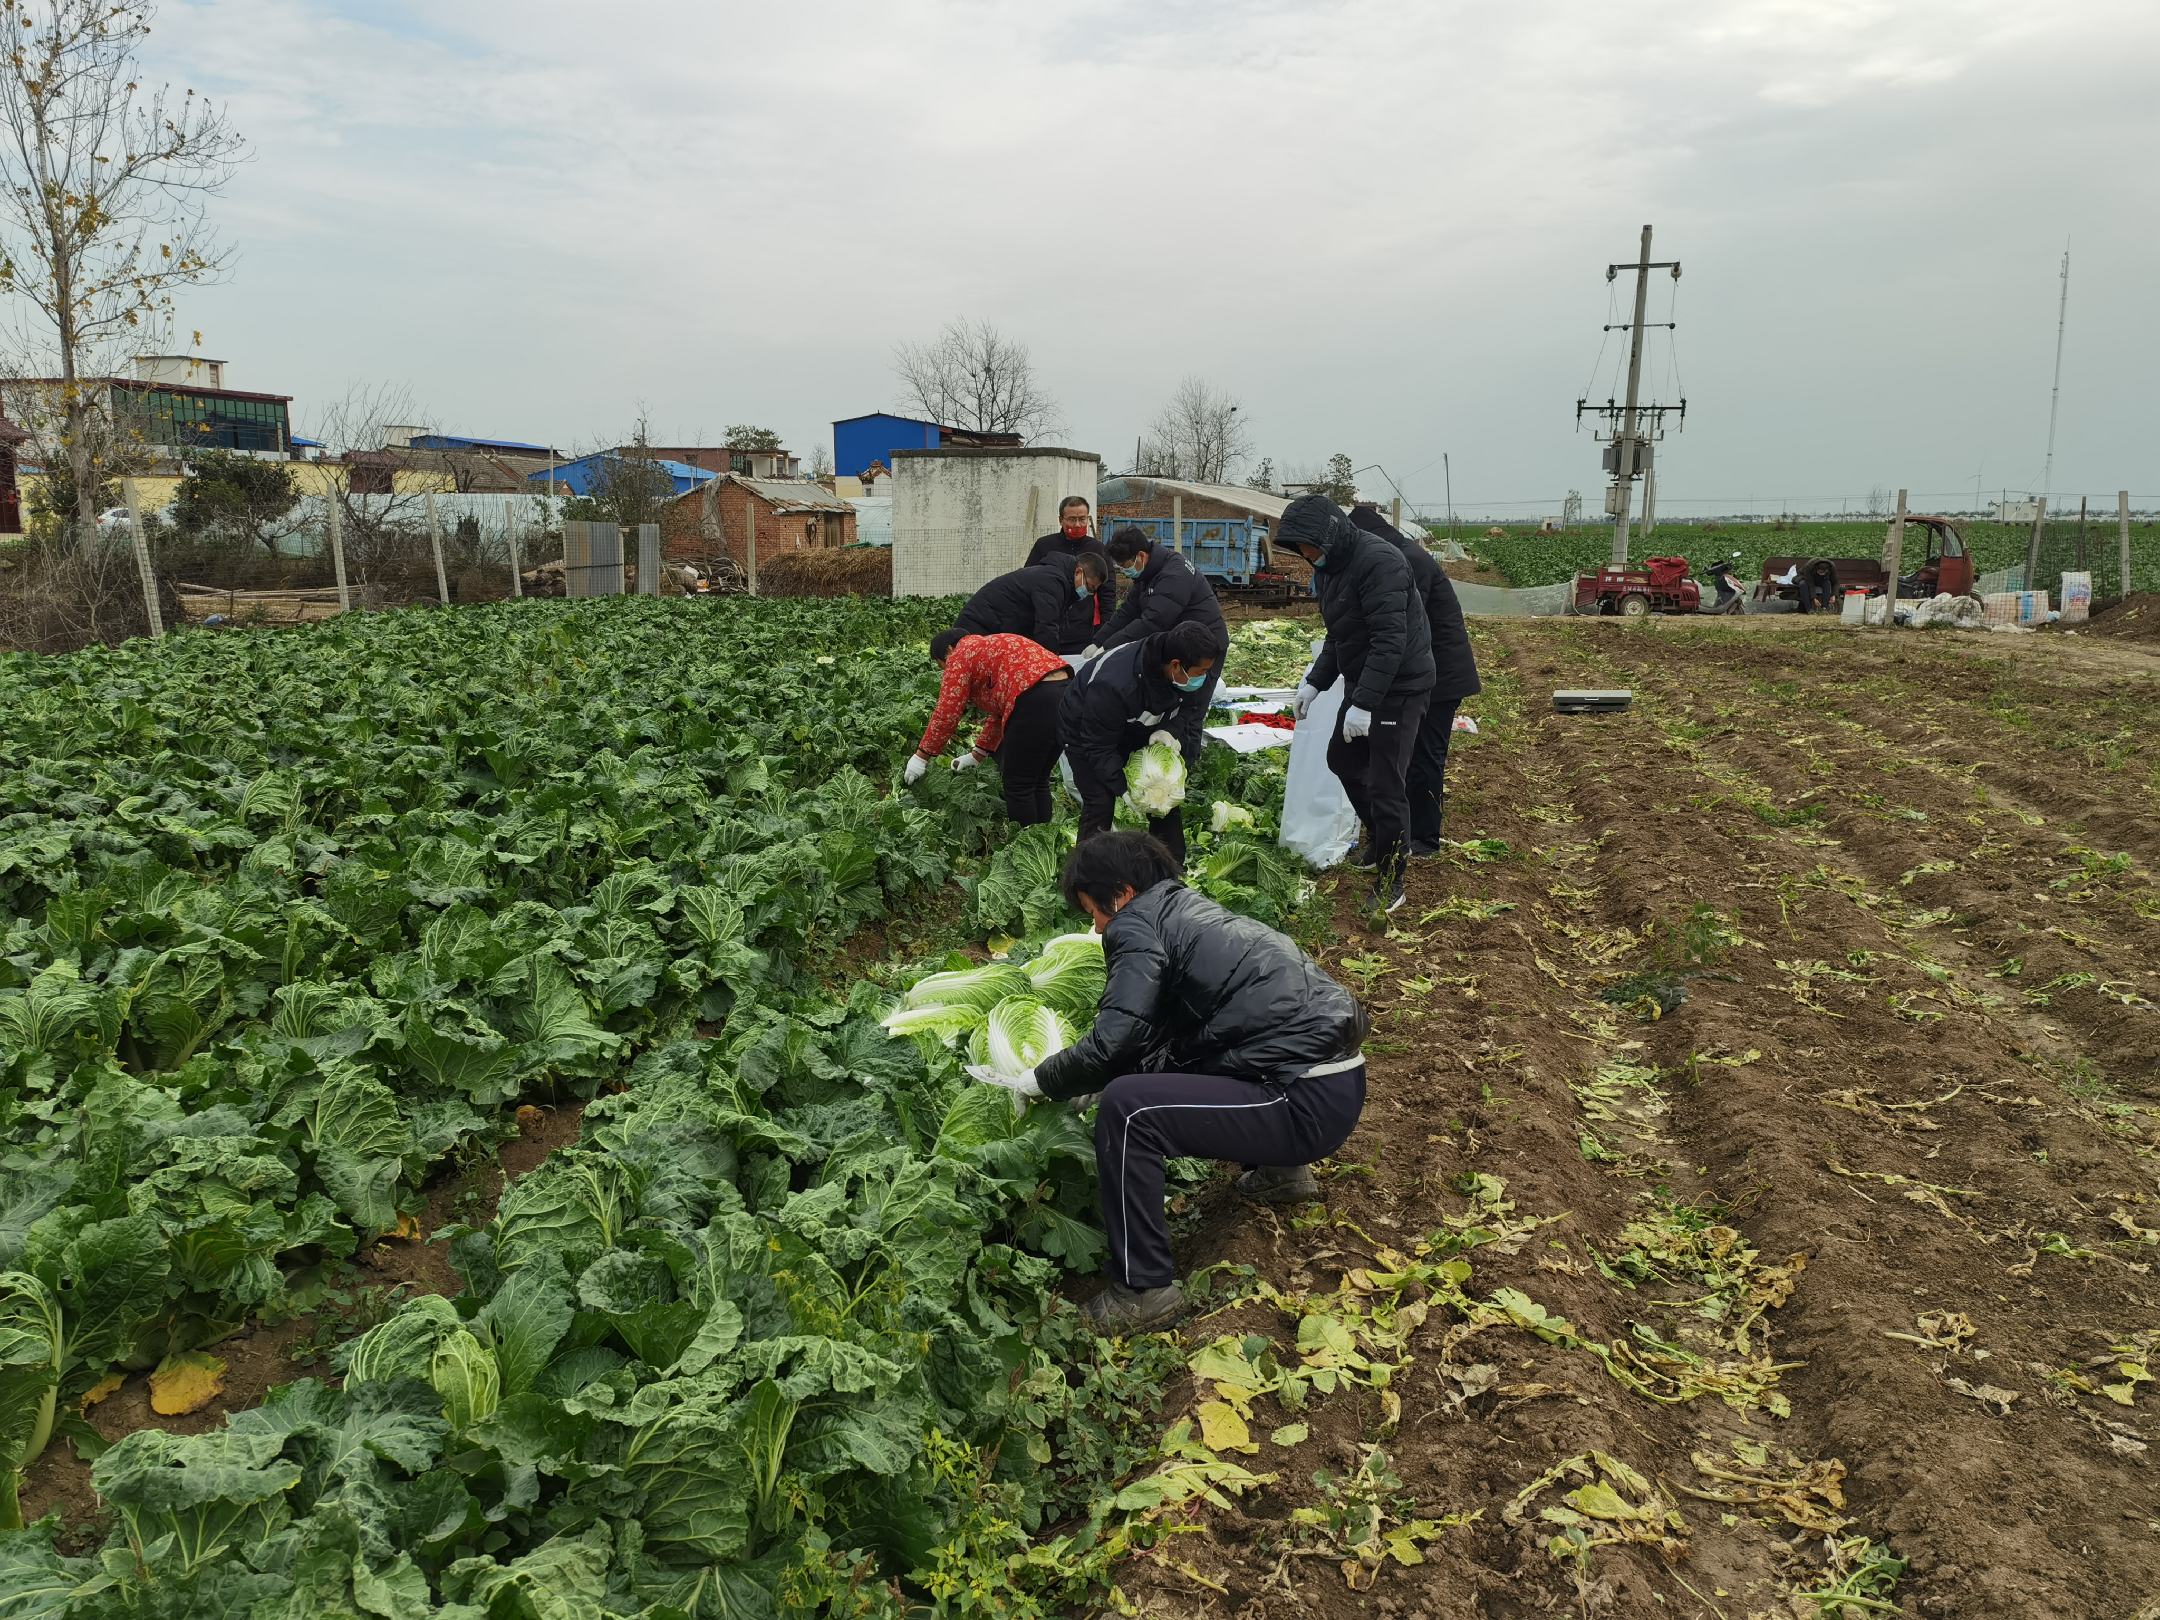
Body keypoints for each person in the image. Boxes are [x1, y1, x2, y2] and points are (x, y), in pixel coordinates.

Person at [969, 831, 1369, 1330]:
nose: (1095, 928)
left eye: (1093, 911)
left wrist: (1043, 1079)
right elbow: (1174, 1037)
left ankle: (1142, 1292)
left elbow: (1118, 1037)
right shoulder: (1187, 913)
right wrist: (1104, 1068)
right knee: (1163, 1078)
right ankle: (1284, 1173)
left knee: (1129, 1111)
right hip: (1334, 1084)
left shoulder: (1136, 927)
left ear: (1123, 893)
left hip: (1301, 1102)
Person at [1274, 494, 1435, 912]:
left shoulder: (1380, 562)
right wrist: (1314, 683)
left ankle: (1392, 875)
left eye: (1309, 547)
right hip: (1366, 682)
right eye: (1301, 551)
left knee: (1385, 781)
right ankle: (1381, 839)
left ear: (1329, 533)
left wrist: (1364, 704)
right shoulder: (1330, 567)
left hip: (1400, 685)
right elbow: (1340, 634)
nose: (1308, 557)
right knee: (1342, 760)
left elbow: (1389, 641)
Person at [1347, 506, 1480, 856]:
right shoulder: (1398, 555)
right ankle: (1402, 829)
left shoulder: (1409, 560)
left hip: (1441, 678)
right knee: (1405, 757)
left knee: (1426, 756)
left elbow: (1400, 625)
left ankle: (1425, 837)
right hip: (1423, 672)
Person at [1060, 620, 1219, 865]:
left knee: (1164, 797)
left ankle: (1171, 870)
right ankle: (1087, 876)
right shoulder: (1115, 684)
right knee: (1100, 800)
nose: (1204, 678)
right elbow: (1098, 746)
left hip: (1131, 723)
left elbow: (1192, 707)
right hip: (1083, 729)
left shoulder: (1190, 669)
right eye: (1199, 673)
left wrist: (1169, 730)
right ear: (1176, 666)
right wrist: (1124, 789)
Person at [903, 631, 1070, 825]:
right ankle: (1043, 843)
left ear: (948, 650)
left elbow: (947, 711)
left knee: (1018, 785)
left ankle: (1026, 846)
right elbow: (1001, 711)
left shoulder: (960, 654)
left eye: (941, 665)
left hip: (1035, 698)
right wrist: (978, 754)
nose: (944, 671)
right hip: (1066, 692)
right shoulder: (987, 649)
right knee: (1037, 778)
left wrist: (921, 756)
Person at [1085, 526, 1231, 717]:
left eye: (1125, 565)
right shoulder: (1147, 573)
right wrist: (1099, 640)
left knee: (1190, 712)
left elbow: (1153, 621)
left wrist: (1109, 648)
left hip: (1206, 647)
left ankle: (1185, 743)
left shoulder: (1174, 574)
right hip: (1182, 645)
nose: (1124, 570)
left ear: (1141, 556)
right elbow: (1129, 610)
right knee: (1169, 708)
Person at [949, 552, 1110, 651]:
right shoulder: (1052, 581)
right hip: (978, 629)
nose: (1089, 593)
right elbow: (1046, 627)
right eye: (1089, 586)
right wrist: (1052, 667)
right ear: (1078, 572)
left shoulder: (1057, 579)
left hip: (992, 628)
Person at [1025, 495, 1118, 654]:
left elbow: (1108, 592)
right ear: (1061, 519)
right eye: (1072, 519)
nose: (1077, 524)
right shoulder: (1045, 545)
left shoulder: (1098, 548)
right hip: (1047, 626)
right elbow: (1029, 581)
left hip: (1084, 631)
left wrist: (1104, 632)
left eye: (1082, 519)